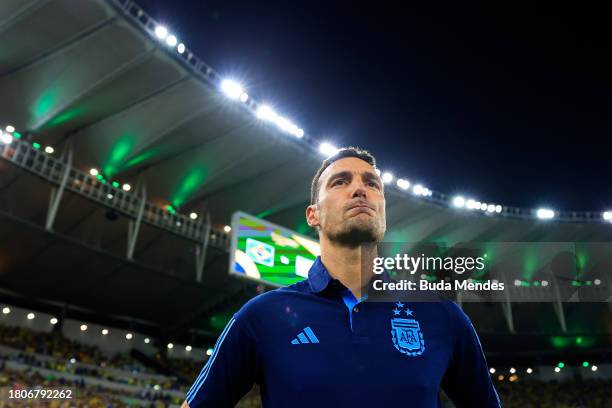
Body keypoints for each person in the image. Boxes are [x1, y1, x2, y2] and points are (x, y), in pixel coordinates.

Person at [183, 147, 501, 407]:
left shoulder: (442, 315)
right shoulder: (263, 315)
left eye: (372, 184)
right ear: (313, 214)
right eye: (340, 182)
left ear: (383, 210)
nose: (360, 189)